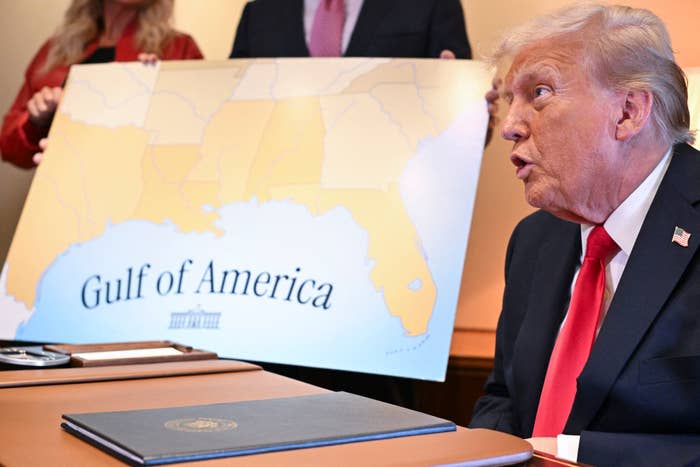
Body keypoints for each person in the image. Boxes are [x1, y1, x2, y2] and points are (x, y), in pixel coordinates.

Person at [468, 4, 699, 467]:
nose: (510, 125)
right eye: (510, 99)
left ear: (628, 112)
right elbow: (504, 397)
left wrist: (567, 451)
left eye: (540, 92)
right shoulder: (534, 240)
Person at [0, 0, 203, 169]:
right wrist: (34, 122)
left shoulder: (178, 49)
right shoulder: (56, 51)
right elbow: (9, 147)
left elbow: (201, 137)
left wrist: (159, 97)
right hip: (63, 192)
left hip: (135, 192)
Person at [229, 0, 471, 60]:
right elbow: (233, 113)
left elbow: (469, 123)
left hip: (392, 180)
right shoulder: (258, 13)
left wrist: (476, 115)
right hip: (277, 183)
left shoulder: (433, 4)